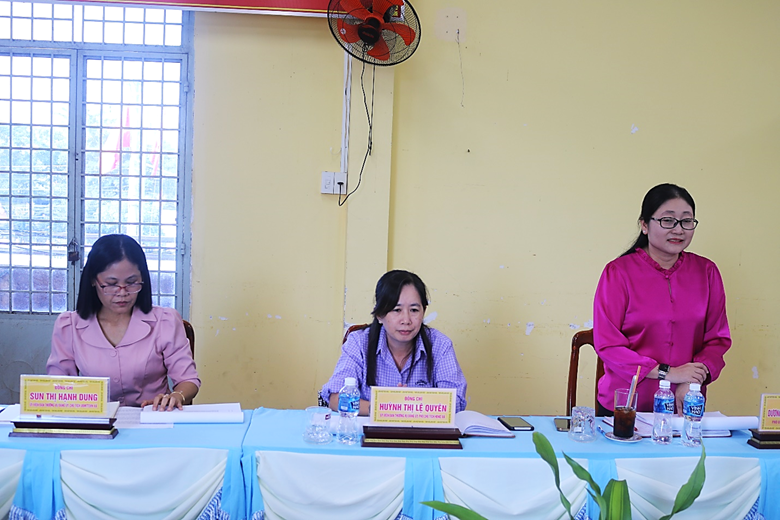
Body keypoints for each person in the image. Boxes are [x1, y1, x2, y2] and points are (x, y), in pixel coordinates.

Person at [593, 183, 731, 415]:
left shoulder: (707, 272)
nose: (678, 230)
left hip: (684, 404)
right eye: (668, 220)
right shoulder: (618, 272)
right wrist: (669, 373)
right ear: (644, 225)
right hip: (626, 405)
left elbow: (717, 340)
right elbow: (608, 344)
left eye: (686, 221)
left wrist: (692, 380)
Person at [46, 234, 200, 410]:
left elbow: (188, 380)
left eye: (132, 283)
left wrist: (176, 396)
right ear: (93, 280)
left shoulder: (165, 321)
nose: (122, 293)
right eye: (111, 284)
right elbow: (58, 386)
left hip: (152, 418)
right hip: (96, 420)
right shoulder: (69, 326)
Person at [321, 270, 467, 414]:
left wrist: (410, 404)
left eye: (414, 310)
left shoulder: (440, 345)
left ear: (423, 311)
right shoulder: (359, 343)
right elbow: (336, 399)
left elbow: (456, 402)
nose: (406, 320)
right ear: (379, 314)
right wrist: (387, 407)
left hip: (422, 429)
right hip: (368, 429)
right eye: (397, 310)